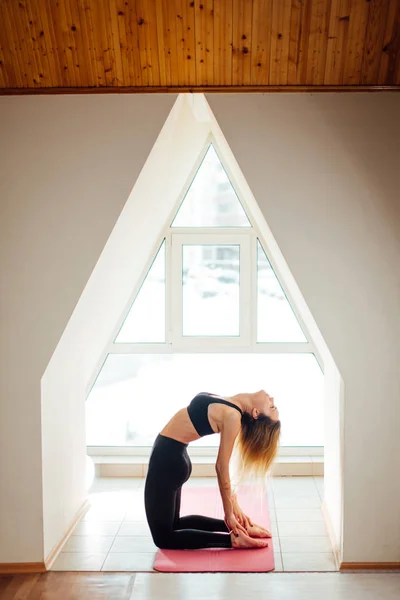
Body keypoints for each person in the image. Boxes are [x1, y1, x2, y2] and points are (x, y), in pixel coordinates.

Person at [144, 390, 281, 550]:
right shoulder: (232, 405)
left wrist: (229, 514)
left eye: (271, 406)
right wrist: (235, 514)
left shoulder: (232, 416)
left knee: (163, 538)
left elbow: (221, 467)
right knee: (174, 525)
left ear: (256, 412)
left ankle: (232, 540)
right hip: (173, 456)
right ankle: (240, 530)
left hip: (166, 460)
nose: (272, 398)